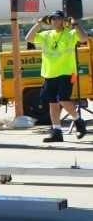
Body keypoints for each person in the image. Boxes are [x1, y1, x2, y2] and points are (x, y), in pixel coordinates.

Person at [25, 10, 88, 142]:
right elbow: (28, 38)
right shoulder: (46, 34)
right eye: (52, 19)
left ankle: (78, 121)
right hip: (49, 74)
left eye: (57, 19)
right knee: (53, 104)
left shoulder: (70, 33)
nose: (54, 21)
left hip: (66, 73)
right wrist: (39, 23)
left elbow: (84, 38)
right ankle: (57, 132)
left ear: (63, 21)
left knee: (63, 100)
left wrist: (74, 24)